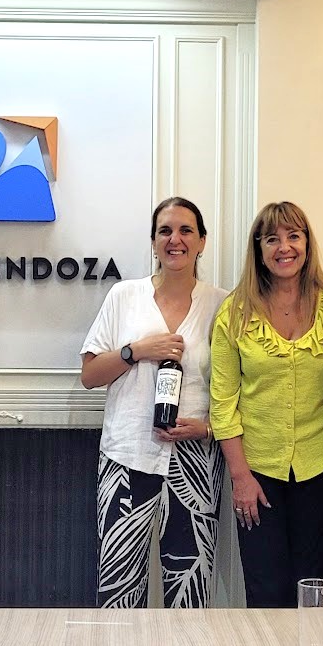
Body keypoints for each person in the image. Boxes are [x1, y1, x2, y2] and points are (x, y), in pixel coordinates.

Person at [81, 197, 227, 608]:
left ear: (202, 241)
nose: (174, 239)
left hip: (195, 463)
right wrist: (137, 350)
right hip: (127, 457)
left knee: (190, 591)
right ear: (153, 242)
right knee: (119, 591)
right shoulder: (124, 296)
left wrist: (208, 428)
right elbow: (90, 375)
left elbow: (238, 388)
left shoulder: (222, 305)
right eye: (165, 231)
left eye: (185, 231)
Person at [211, 201, 323, 608]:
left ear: (307, 243)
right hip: (257, 473)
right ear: (258, 249)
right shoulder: (234, 313)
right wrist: (240, 477)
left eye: (293, 236)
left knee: (314, 584)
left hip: (321, 467)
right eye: (272, 239)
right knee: (266, 589)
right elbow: (223, 402)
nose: (284, 247)